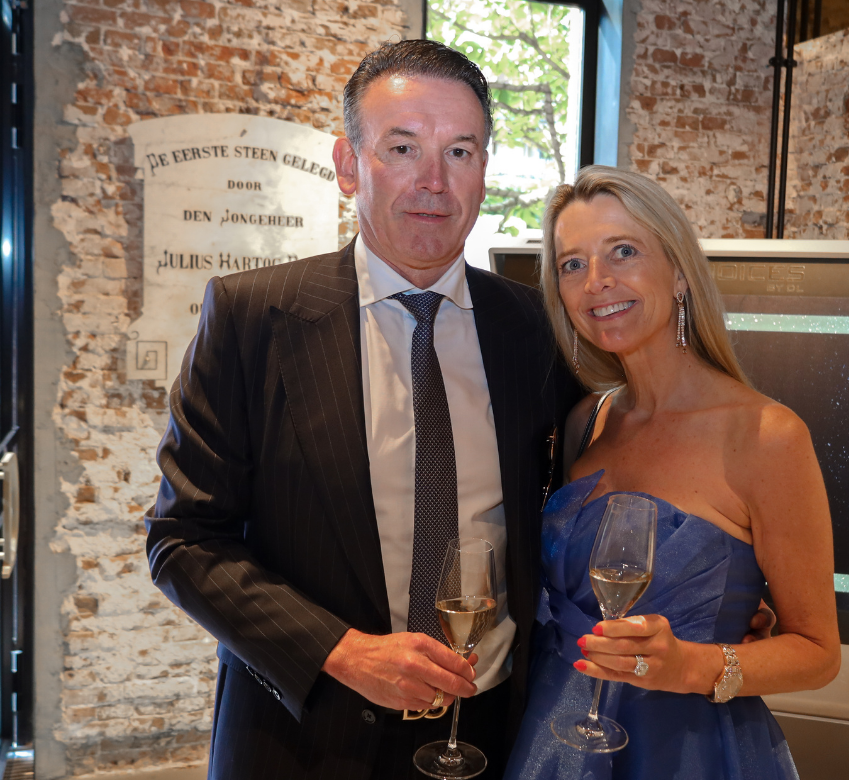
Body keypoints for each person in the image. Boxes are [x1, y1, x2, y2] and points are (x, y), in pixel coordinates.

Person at [144, 40, 582, 779]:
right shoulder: (252, 319)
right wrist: (341, 652)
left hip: (491, 734)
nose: (434, 182)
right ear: (349, 165)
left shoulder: (536, 330)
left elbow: (580, 501)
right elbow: (183, 540)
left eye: (460, 152)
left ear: (484, 169)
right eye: (403, 148)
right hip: (303, 738)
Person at [503, 167, 843, 779]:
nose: (596, 281)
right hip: (551, 737)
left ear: (681, 272)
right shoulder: (587, 420)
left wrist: (690, 665)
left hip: (685, 750)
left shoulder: (767, 436)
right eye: (573, 264)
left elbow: (818, 654)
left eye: (623, 252)